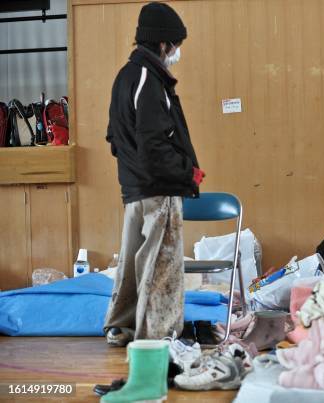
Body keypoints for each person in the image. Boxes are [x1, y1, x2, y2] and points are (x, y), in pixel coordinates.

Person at [103, 2, 205, 346]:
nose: (177, 52)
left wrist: (135, 174)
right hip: (157, 189)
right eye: (176, 44)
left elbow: (114, 138)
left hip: (134, 189)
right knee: (162, 268)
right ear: (163, 44)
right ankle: (158, 336)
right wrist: (186, 173)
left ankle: (122, 327)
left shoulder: (126, 76)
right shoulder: (150, 79)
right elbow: (154, 143)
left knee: (134, 264)